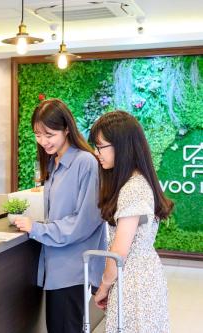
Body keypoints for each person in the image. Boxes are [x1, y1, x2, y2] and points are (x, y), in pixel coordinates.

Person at [14, 99, 107, 333]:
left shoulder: (85, 162)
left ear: (66, 129)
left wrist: (37, 228)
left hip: (72, 269)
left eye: (49, 134)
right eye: (37, 134)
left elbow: (84, 221)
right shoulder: (54, 163)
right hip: (56, 267)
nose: (43, 141)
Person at [90, 111, 172, 333]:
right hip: (143, 277)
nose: (97, 153)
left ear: (122, 146)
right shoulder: (138, 182)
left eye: (101, 146)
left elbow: (119, 252)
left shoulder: (133, 188)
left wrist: (104, 287)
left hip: (133, 281)